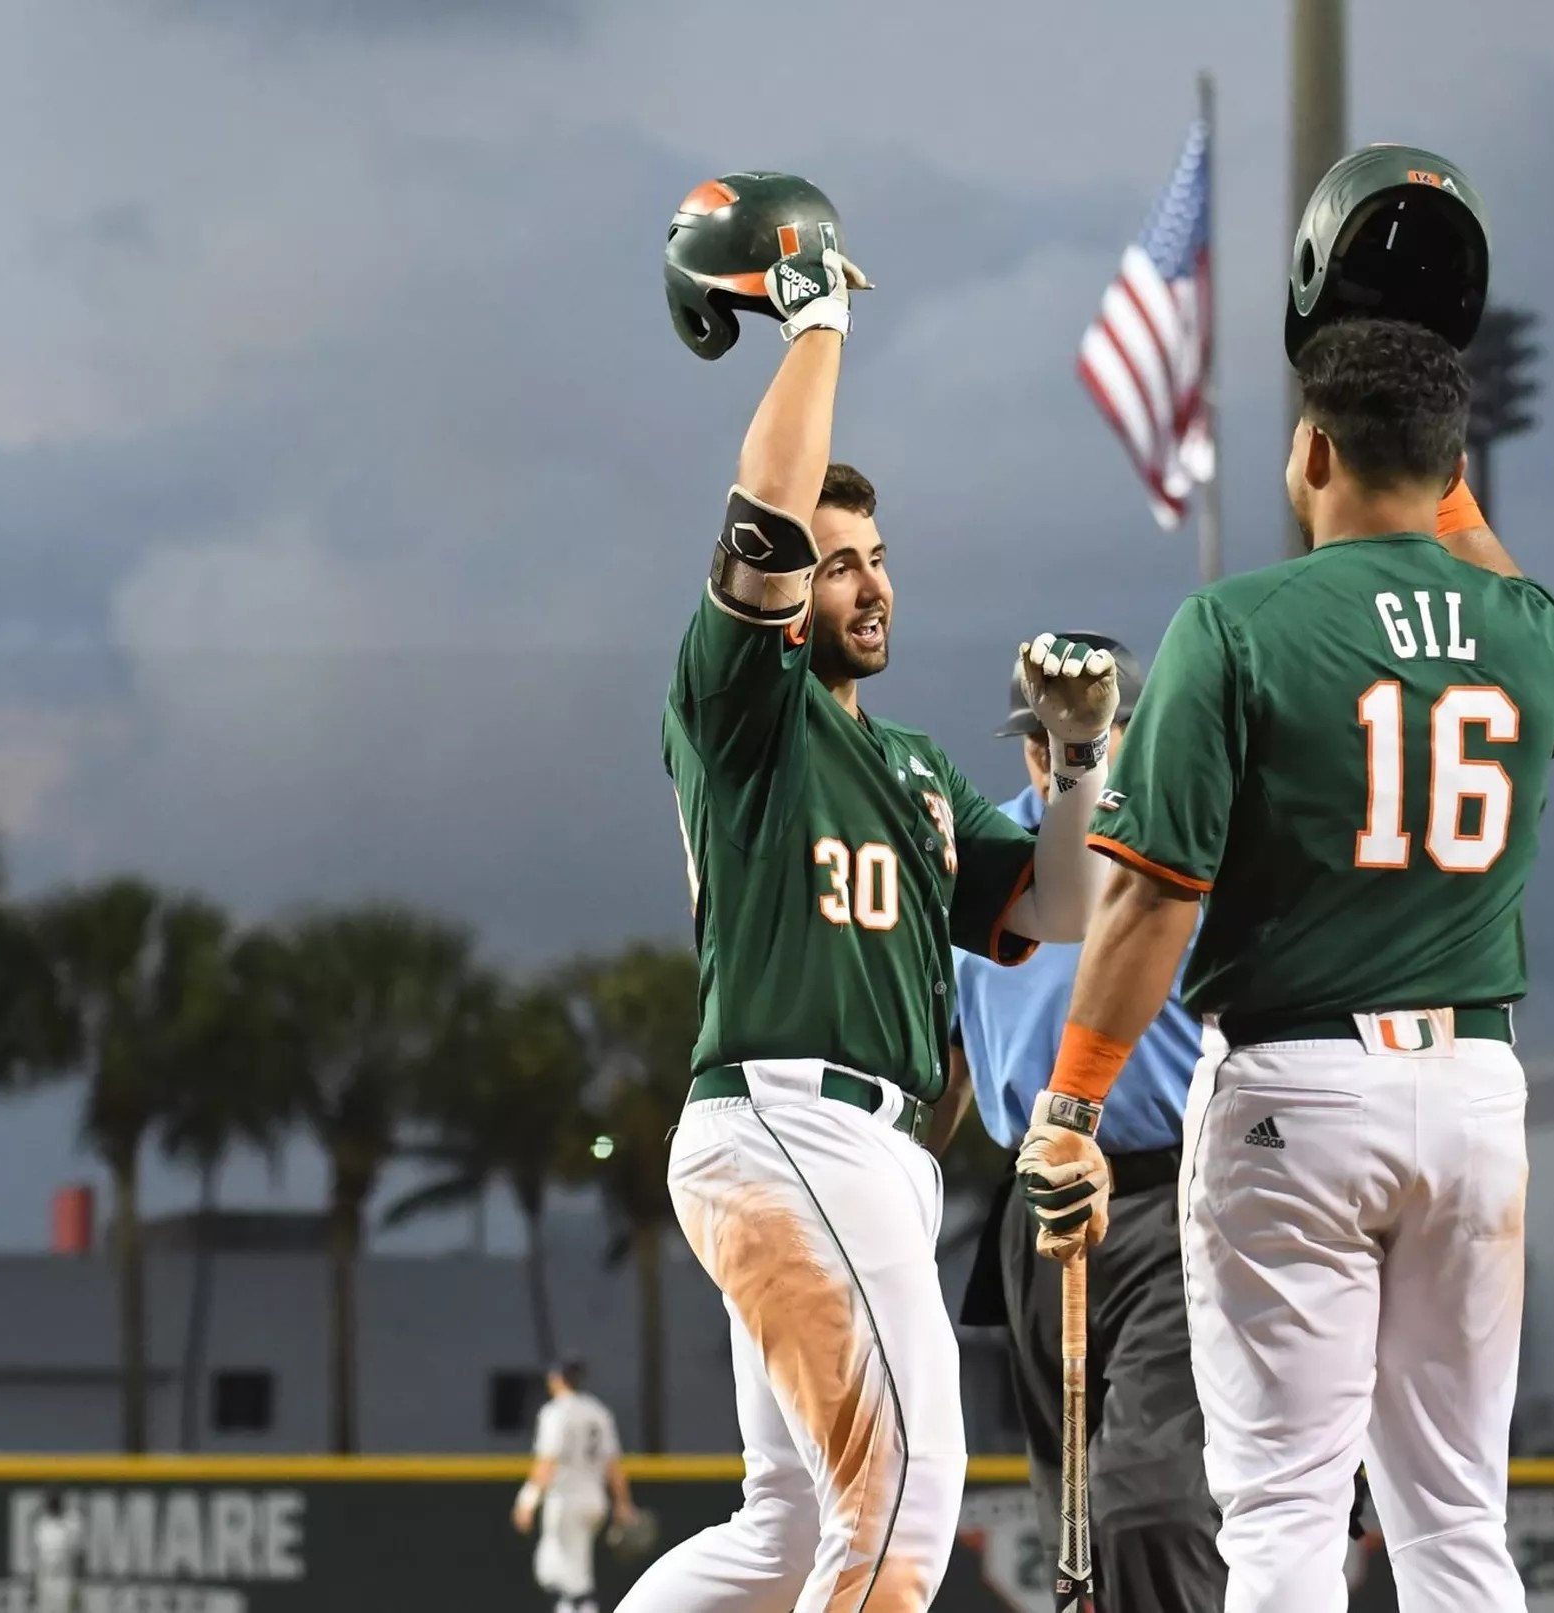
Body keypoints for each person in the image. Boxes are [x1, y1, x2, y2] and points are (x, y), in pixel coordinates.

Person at [1015, 315, 1554, 1612]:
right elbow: (1487, 574)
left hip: (1300, 1090)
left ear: (1309, 448)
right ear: (1454, 472)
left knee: (1281, 1518)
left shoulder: (1236, 622)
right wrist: (1442, 463)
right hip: (1479, 1091)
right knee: (1455, 1519)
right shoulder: (1537, 631)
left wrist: (1073, 1106)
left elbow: (1154, 901)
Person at [622, 183, 1118, 1613]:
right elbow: (761, 526)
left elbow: (1058, 909)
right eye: (840, 564)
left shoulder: (910, 768)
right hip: (791, 1123)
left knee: (785, 1535)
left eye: (878, 559)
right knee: (902, 1508)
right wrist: (817, 325)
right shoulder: (743, 706)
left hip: (868, 1154)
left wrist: (1077, 757)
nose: (867, 585)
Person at [946, 635, 1225, 1611]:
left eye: (1084, 730)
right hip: (1034, 1212)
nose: (1052, 750)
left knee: (1150, 1495)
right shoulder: (983, 866)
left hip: (1170, 1199)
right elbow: (948, 1061)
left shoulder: (1191, 850)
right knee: (1067, 1523)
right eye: (1038, 731)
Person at [514, 1358, 638, 1613]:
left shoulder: (556, 1411)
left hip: (565, 1500)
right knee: (565, 1569)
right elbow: (613, 1466)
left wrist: (527, 1500)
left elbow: (547, 1461)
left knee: (559, 1572)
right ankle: (573, 1605)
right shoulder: (598, 1411)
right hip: (594, 1500)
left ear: (557, 1379)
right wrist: (623, 1504)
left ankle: (582, 1605)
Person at [29, 1491, 80, 1613]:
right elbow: (37, 1558)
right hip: (45, 1579)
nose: (51, 1505)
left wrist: (77, 1586)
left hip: (64, 1579)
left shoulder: (71, 1523)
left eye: (53, 1501)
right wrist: (32, 1587)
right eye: (50, 1502)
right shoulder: (42, 1524)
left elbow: (78, 1556)